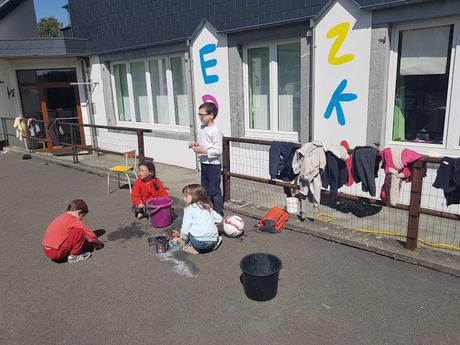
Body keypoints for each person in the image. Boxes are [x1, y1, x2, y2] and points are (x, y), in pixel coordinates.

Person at [189, 102, 224, 216]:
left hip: (213, 164)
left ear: (211, 115)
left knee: (214, 190)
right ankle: (207, 209)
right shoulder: (202, 128)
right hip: (204, 162)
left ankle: (218, 212)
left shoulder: (215, 130)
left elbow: (218, 150)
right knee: (204, 189)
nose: (200, 117)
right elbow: (202, 143)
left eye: (202, 115)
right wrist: (194, 144)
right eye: (199, 114)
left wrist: (202, 151)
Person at [42, 199, 103, 264]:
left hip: (46, 250)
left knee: (72, 233)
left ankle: (67, 252)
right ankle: (74, 256)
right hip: (56, 252)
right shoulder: (74, 220)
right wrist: (98, 243)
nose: (82, 219)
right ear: (78, 212)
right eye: (82, 216)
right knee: (79, 231)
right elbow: (90, 235)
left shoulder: (62, 217)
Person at [175, 184, 222, 254]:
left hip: (199, 243)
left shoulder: (189, 209)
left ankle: (193, 248)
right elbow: (219, 219)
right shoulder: (207, 206)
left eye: (186, 196)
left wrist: (182, 237)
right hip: (213, 241)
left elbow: (185, 227)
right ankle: (213, 245)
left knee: (189, 233)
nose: (184, 198)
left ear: (195, 197)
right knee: (205, 234)